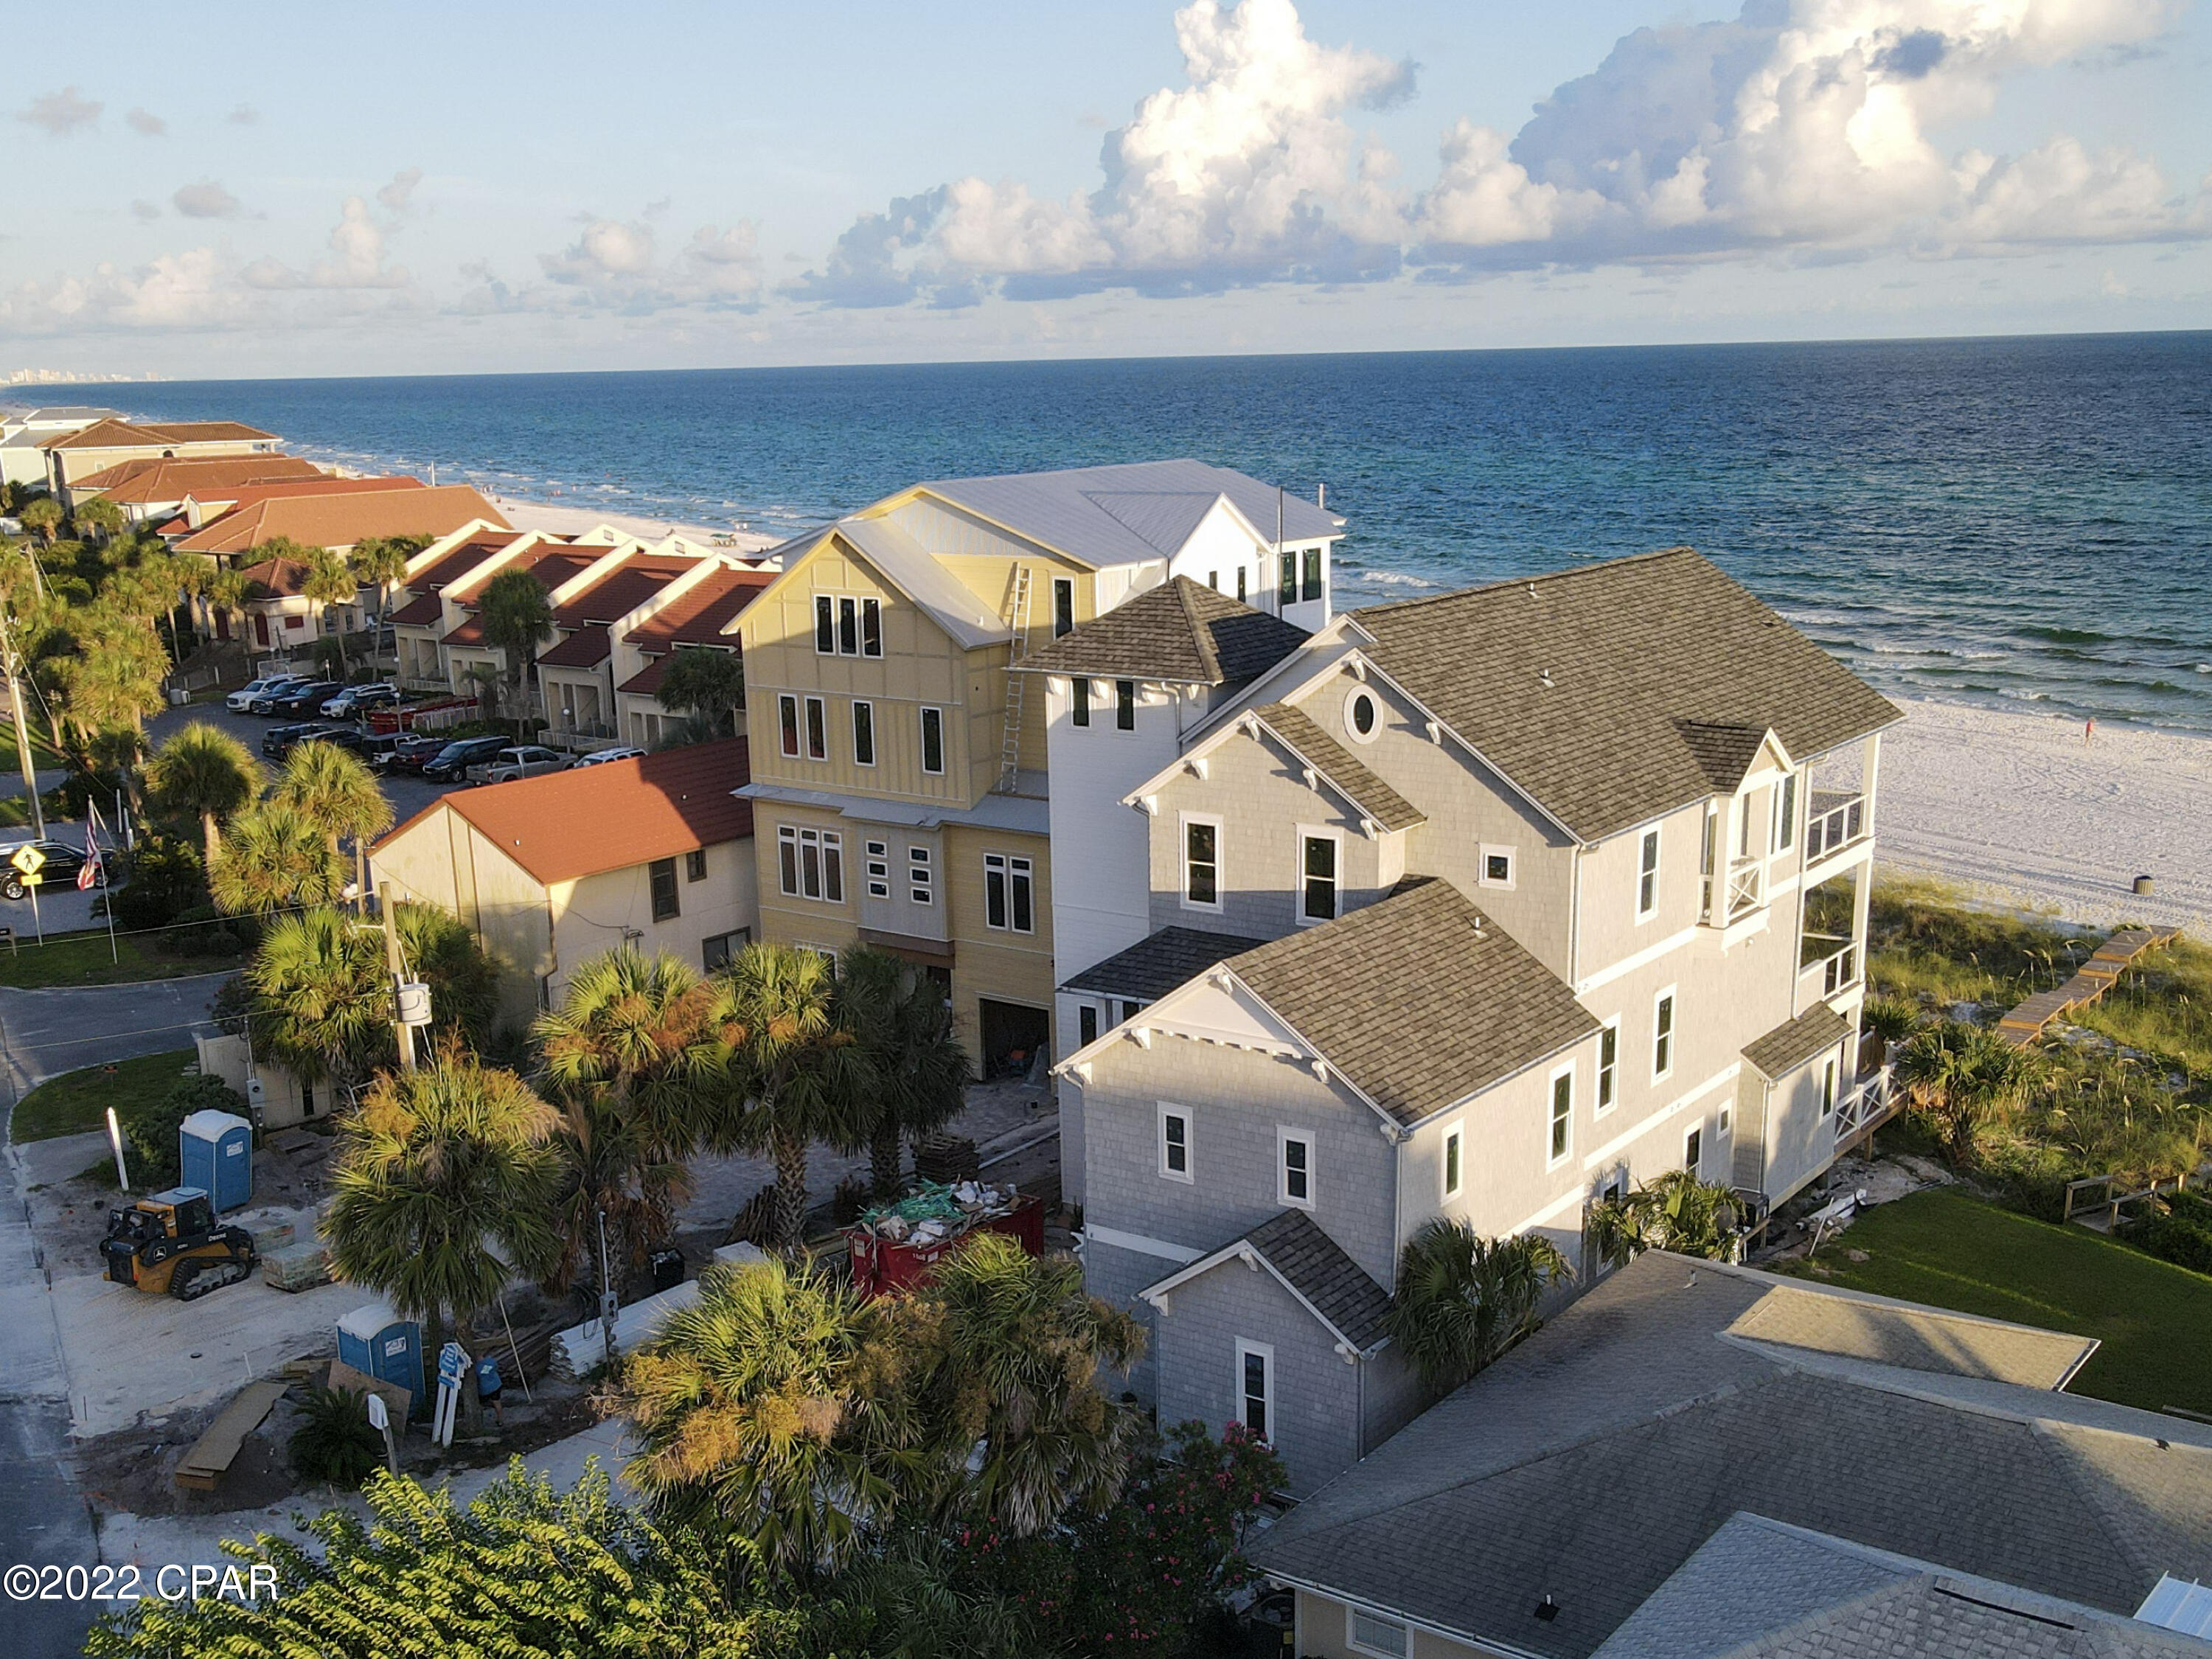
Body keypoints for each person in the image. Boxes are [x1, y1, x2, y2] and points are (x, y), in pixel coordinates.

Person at [473, 1351, 505, 1426]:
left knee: (479, 1405)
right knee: (497, 1403)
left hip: (484, 1390)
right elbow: (496, 1367)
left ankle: (480, 1422)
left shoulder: (476, 1368)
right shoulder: (491, 1361)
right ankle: (500, 1420)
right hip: (496, 1385)